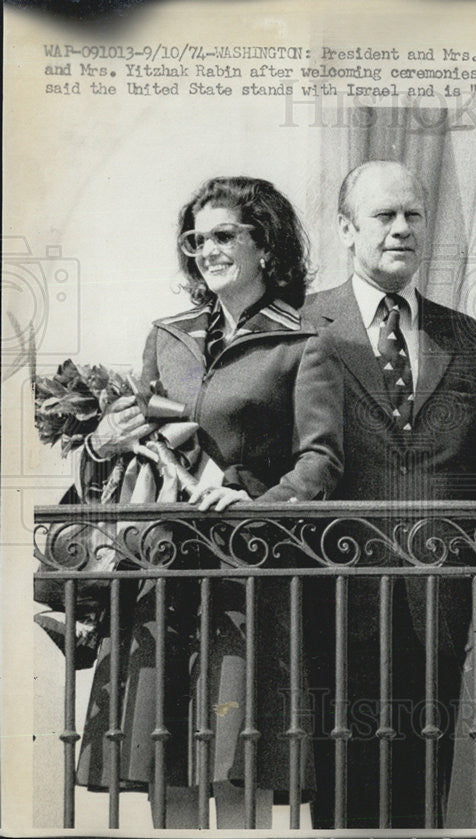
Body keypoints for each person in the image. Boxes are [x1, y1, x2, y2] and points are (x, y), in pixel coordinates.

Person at [74, 176, 345, 827]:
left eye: (225, 235)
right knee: (167, 778)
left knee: (235, 775)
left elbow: (321, 463)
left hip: (244, 587)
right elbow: (136, 453)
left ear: (265, 245)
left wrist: (252, 507)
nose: (208, 250)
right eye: (197, 239)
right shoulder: (165, 338)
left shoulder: (303, 343)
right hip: (160, 585)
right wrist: (100, 444)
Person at [303, 160, 476, 828]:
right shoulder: (300, 328)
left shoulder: (472, 343)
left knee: (422, 791)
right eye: (383, 215)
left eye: (413, 215)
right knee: (338, 791)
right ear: (346, 228)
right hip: (330, 598)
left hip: (439, 601)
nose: (401, 229)